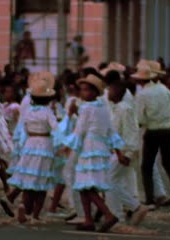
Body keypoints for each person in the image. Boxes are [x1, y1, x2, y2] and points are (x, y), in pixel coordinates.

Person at [62, 74, 121, 233]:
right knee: (84, 185)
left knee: (87, 186)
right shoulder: (103, 107)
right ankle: (88, 219)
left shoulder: (87, 108)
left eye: (87, 90)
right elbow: (110, 129)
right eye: (82, 90)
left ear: (95, 92)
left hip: (89, 146)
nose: (83, 93)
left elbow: (80, 129)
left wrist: (68, 144)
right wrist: (117, 148)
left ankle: (108, 214)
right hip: (100, 147)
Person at [131, 59, 170, 209]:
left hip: (152, 131)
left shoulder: (142, 95)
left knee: (146, 166)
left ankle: (150, 200)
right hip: (167, 130)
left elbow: (140, 118)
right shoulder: (165, 90)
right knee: (168, 163)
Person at [6, 75, 58, 223]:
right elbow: (56, 129)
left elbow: (23, 128)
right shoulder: (48, 113)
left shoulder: (29, 112)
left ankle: (23, 205)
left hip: (30, 144)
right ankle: (35, 215)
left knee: (28, 179)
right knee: (41, 182)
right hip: (44, 144)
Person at [105, 81, 149, 227]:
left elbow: (131, 132)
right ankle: (123, 213)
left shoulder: (125, 109)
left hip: (123, 151)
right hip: (117, 151)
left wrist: (128, 153)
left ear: (117, 91)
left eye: (110, 89)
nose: (108, 92)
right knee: (112, 182)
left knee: (109, 181)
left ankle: (130, 209)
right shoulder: (116, 108)